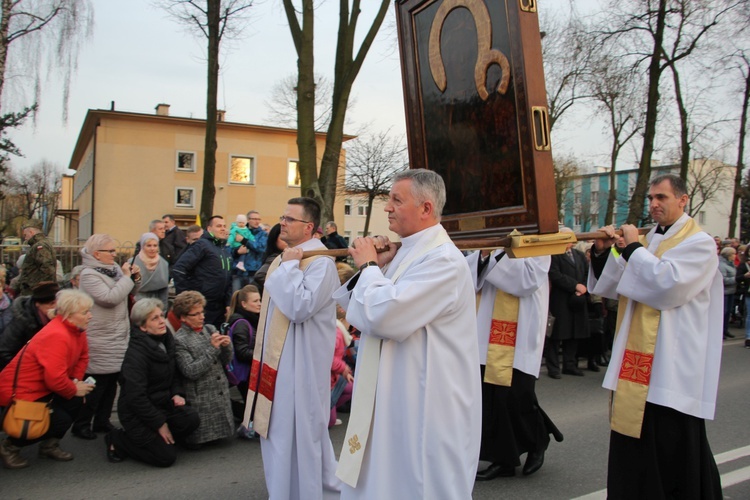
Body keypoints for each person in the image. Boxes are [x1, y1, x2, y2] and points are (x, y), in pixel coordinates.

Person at [333, 169, 481, 499]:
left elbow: (386, 316)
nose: (387, 207)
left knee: (417, 485)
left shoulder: (441, 259)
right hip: (395, 392)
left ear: (426, 208)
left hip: (425, 402)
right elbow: (369, 306)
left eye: (396, 200)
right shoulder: (412, 251)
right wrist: (382, 266)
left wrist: (370, 267)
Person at [590, 174, 722, 499]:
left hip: (671, 366)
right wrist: (605, 251)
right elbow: (614, 285)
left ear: (683, 199)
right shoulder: (651, 242)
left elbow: (667, 286)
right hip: (639, 367)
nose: (654, 204)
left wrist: (633, 247)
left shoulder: (699, 242)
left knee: (672, 451)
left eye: (661, 197)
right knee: (635, 450)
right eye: (651, 198)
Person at [243, 197, 341, 499]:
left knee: (301, 434)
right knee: (281, 432)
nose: (281, 223)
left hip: (302, 365)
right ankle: (286, 491)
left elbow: (299, 307)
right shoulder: (286, 257)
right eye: (283, 217)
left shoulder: (321, 263)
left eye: (289, 219)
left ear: (309, 226)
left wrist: (288, 269)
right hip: (280, 362)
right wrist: (287, 265)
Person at [468, 249, 563, 480]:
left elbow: (527, 280)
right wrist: (483, 255)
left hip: (520, 329)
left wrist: (492, 257)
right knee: (492, 397)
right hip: (486, 326)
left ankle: (538, 439)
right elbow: (471, 275)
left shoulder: (538, 238)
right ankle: (503, 460)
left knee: (517, 394)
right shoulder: (492, 237)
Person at [0, 289, 95, 469]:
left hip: (45, 388)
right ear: (68, 315)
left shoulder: (77, 329)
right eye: (85, 312)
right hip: (23, 393)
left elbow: (83, 357)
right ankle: (10, 446)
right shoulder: (57, 334)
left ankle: (48, 445)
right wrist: (74, 389)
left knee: (76, 403)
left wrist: (75, 381)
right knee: (60, 419)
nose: (90, 316)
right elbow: (54, 379)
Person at [106, 298, 200, 467]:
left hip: (162, 403)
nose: (162, 321)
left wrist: (178, 393)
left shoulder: (166, 339)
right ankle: (118, 439)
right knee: (166, 458)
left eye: (161, 316)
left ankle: (163, 439)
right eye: (154, 319)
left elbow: (174, 374)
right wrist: (160, 423)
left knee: (191, 419)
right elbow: (136, 397)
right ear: (142, 327)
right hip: (136, 413)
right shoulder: (136, 355)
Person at [73, 234, 140, 440]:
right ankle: (82, 423)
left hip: (118, 334)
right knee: (96, 384)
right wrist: (127, 279)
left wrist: (134, 279)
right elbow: (109, 298)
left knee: (111, 384)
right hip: (100, 337)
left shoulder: (113, 270)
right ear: (96, 254)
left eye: (114, 250)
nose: (114, 254)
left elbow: (128, 292)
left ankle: (102, 421)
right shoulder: (89, 275)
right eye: (110, 251)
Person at [172, 291, 235, 447]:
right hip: (200, 396)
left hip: (219, 392)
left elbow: (225, 361)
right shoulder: (179, 340)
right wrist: (213, 349)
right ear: (183, 317)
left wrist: (227, 347)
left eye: (202, 312)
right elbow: (190, 371)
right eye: (196, 314)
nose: (202, 317)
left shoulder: (209, 329)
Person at [172, 216, 232, 328]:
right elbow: (179, 269)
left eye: (224, 226)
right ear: (209, 229)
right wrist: (187, 297)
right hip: (202, 305)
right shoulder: (202, 245)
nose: (223, 229)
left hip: (219, 307)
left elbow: (229, 278)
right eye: (219, 226)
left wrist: (228, 303)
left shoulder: (224, 250)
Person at [545, 231, 590, 378]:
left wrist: (582, 287)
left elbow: (586, 273)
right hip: (560, 299)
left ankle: (570, 365)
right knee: (557, 335)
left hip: (577, 300)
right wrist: (574, 285)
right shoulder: (553, 255)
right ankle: (553, 368)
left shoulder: (579, 255)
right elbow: (555, 274)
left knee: (574, 334)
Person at [224, 284, 261, 431]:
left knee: (251, 405)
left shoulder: (248, 320)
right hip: (245, 372)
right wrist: (263, 356)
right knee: (251, 407)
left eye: (259, 300)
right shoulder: (242, 324)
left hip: (247, 371)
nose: (259, 304)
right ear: (244, 304)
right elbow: (241, 351)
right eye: (255, 301)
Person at [0, 281, 59, 370]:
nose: (56, 307)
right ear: (38, 304)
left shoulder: (58, 318)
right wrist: (28, 370)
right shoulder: (22, 321)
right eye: (51, 304)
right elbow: (4, 352)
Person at [14, 219, 57, 297]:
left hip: (36, 292)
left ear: (31, 232)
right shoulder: (41, 244)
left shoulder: (40, 246)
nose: (25, 238)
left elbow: (47, 267)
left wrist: (39, 287)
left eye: (25, 235)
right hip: (35, 290)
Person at [133, 232, 170, 308]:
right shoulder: (133, 263)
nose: (152, 249)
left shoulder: (163, 263)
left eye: (155, 246)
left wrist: (164, 309)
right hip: (139, 302)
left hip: (158, 302)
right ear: (143, 246)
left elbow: (164, 290)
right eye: (149, 246)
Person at [233, 210, 268, 282]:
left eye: (259, 219)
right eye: (254, 219)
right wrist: (237, 252)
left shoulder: (263, 234)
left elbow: (261, 248)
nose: (257, 221)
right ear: (248, 220)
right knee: (236, 293)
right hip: (238, 272)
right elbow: (230, 248)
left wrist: (244, 241)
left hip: (253, 271)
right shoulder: (238, 231)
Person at [252, 223, 287, 295]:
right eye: (283, 238)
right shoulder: (276, 257)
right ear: (274, 239)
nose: (287, 241)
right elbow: (260, 275)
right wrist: (280, 289)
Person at [719, 246, 737, 340]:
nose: (735, 256)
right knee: (723, 312)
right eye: (733, 254)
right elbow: (722, 279)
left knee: (728, 312)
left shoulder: (731, 264)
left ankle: (725, 329)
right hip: (725, 292)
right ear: (728, 255)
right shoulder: (721, 264)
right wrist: (736, 279)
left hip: (731, 291)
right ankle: (720, 331)